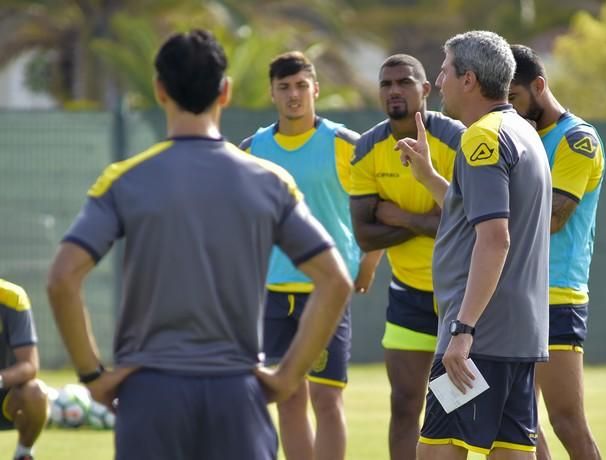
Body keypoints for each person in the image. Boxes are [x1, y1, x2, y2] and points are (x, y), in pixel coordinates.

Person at [46, 30, 352, 460]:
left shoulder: (124, 180)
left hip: (150, 394)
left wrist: (92, 375)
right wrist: (285, 378)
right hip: (237, 395)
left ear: (159, 90)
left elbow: (63, 277)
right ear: (224, 92)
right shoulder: (269, 182)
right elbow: (335, 280)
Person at [398, 31, 552, 459]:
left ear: (468, 79)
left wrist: (462, 330)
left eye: (445, 69)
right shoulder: (522, 131)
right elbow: (483, 218)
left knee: (435, 452)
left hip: (477, 342)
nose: (438, 79)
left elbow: (495, 239)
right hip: (518, 338)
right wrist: (430, 178)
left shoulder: (481, 138)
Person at [239, 51, 380, 460]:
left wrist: (368, 262)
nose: (294, 95)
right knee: (287, 396)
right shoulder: (252, 149)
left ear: (316, 89)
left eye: (301, 86)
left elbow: (381, 204)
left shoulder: (345, 144)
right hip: (273, 293)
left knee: (326, 399)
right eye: (284, 88)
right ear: (272, 93)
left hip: (326, 292)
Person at [349, 54, 464, 460]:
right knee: (404, 408)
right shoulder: (366, 150)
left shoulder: (456, 139)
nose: (394, 90)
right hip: (407, 298)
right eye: (386, 84)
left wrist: (398, 215)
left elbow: (465, 222)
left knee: (457, 409)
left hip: (461, 301)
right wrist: (427, 219)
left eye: (404, 82)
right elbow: (365, 234)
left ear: (425, 89)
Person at [509, 44, 604, 460]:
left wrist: (487, 217)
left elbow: (555, 217)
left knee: (566, 421)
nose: (506, 107)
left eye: (513, 97)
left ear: (539, 85)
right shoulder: (515, 135)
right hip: (512, 293)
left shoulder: (577, 138)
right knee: (516, 418)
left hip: (556, 294)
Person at [0, 279, 49, 460]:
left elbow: (29, 366)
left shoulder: (11, 297)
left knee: (36, 392)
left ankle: (24, 452)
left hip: (6, 396)